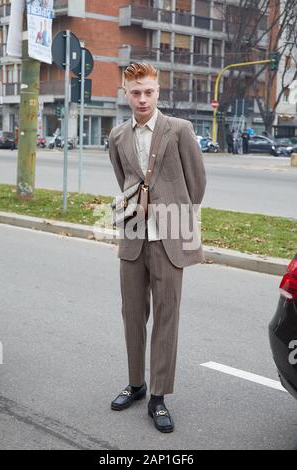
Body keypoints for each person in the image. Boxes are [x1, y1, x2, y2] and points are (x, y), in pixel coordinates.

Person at [108, 63, 206, 433]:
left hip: (170, 237)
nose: (143, 98)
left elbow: (196, 184)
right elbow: (125, 178)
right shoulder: (118, 136)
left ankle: (159, 397)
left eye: (148, 91)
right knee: (132, 314)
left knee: (167, 317)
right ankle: (136, 385)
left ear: (158, 91)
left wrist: (172, 216)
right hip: (132, 232)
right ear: (126, 93)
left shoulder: (180, 130)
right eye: (136, 92)